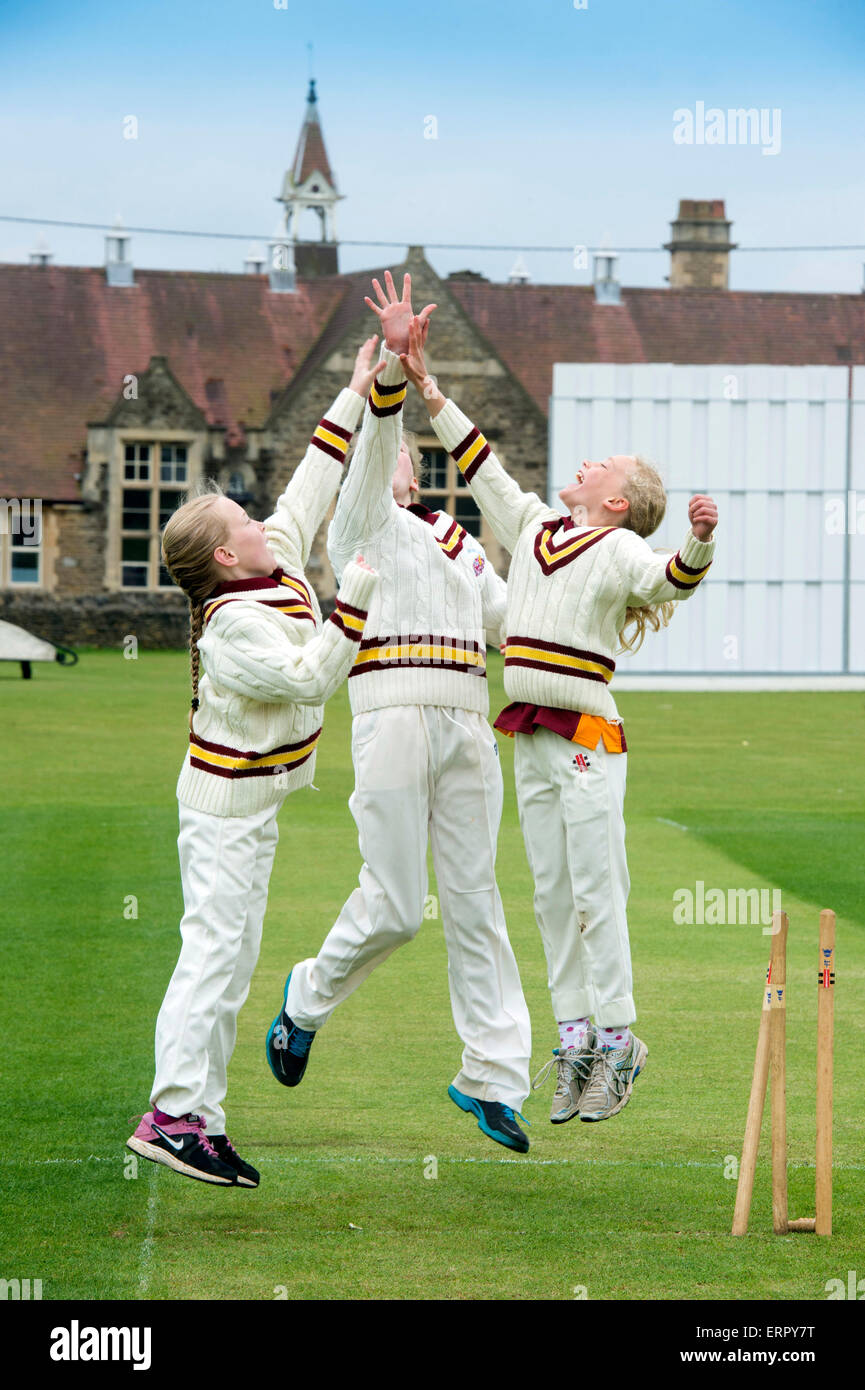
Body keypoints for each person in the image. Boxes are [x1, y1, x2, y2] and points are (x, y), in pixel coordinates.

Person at [398, 314, 718, 1127]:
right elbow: (483, 469)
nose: (581, 464)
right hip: (531, 730)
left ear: (615, 500)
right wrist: (428, 385)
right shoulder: (536, 526)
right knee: (547, 889)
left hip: (587, 736)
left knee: (594, 887)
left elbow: (667, 582)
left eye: (599, 465)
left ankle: (619, 1041)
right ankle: (573, 1037)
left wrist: (699, 539)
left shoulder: (614, 550)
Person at [265, 273, 533, 1153]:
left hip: (466, 718)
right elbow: (374, 451)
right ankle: (305, 999)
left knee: (475, 899)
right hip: (390, 714)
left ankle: (490, 1078)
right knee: (394, 906)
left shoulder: (459, 542)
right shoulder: (355, 527)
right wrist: (389, 366)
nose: (400, 463)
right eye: (391, 456)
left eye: (413, 456)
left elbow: (515, 625)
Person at [126, 341, 382, 1186]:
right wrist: (354, 605)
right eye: (241, 521)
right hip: (224, 808)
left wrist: (352, 394)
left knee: (231, 961)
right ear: (226, 558)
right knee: (212, 955)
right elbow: (312, 676)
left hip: (256, 801)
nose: (257, 520)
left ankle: (202, 1117)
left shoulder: (264, 562)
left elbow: (307, 486)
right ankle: (170, 1116)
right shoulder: (233, 625)